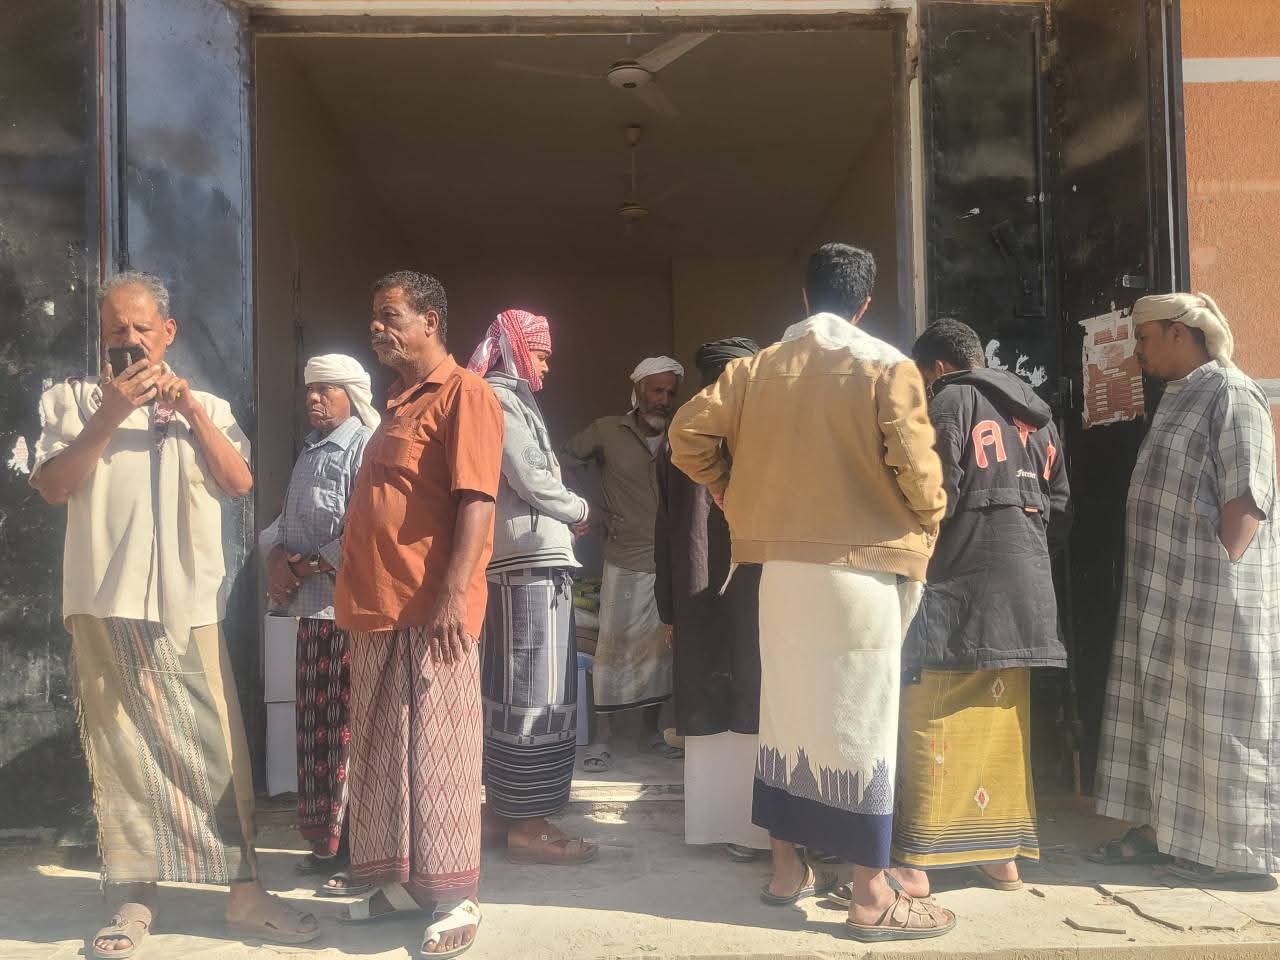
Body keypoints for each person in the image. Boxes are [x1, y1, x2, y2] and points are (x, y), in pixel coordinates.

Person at [669, 243, 954, 943]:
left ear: (804, 297)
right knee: (862, 723)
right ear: (864, 303)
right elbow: (919, 473)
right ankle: (870, 896)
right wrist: (928, 518)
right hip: (861, 570)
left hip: (779, 571)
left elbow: (686, 435)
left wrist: (730, 490)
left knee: (788, 716)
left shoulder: (754, 370)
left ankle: (785, 872)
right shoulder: (887, 364)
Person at [30, 271, 318, 958]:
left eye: (140, 329)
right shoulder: (71, 402)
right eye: (115, 331)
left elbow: (240, 482)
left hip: (185, 609)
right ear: (102, 338)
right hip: (104, 604)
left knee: (216, 751)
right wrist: (108, 416)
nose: (129, 341)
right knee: (123, 754)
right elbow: (52, 487)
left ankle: (244, 894)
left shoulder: (206, 406)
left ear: (167, 333)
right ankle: (135, 898)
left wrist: (188, 410)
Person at [334, 271, 504, 958]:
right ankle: (400, 885)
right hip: (376, 608)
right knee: (382, 754)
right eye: (374, 316)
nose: (377, 328)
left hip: (434, 614)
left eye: (391, 315)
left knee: (440, 756)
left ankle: (457, 895)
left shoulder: (466, 394)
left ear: (431, 321)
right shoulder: (397, 404)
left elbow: (477, 501)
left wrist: (454, 597)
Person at [1091, 292, 1279, 890]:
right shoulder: (1183, 395)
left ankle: (1237, 856)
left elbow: (1246, 498)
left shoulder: (1232, 393)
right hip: (1170, 595)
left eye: (1144, 339)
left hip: (1215, 598)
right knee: (1169, 716)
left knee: (1224, 722)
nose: (1137, 353)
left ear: (1180, 332)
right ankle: (1166, 833)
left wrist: (1219, 579)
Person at [884, 319, 1070, 898]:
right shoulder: (1038, 416)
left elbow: (931, 495)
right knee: (1000, 724)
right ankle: (1000, 859)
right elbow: (1060, 503)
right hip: (1026, 593)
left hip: (960, 589)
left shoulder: (951, 401)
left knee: (930, 714)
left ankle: (916, 866)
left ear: (938, 367)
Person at [466, 309, 596, 866]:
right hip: (529, 566)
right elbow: (529, 476)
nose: (546, 365)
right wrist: (578, 509)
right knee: (535, 692)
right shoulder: (501, 400)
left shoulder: (508, 399)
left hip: (522, 565)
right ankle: (530, 824)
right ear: (517, 350)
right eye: (540, 354)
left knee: (513, 686)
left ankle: (503, 813)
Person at [262, 354, 378, 897]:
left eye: (325, 389)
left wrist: (306, 565)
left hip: (347, 615)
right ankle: (326, 844)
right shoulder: (310, 450)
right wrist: (278, 560)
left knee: (347, 733)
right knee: (316, 734)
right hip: (310, 612)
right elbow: (284, 524)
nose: (313, 398)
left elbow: (365, 527)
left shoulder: (364, 447)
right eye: (310, 389)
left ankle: (359, 848)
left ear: (351, 394)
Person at [655, 337, 768, 861]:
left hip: (696, 599)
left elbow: (664, 532)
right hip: (753, 594)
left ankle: (715, 824)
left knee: (711, 696)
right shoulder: (761, 434)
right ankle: (754, 831)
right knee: (752, 694)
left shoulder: (677, 436)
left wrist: (669, 608)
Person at [566, 355, 684, 769]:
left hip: (671, 561)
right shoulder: (606, 431)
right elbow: (565, 459)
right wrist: (589, 506)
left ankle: (651, 734)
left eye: (670, 392)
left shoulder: (683, 433)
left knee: (660, 653)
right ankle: (602, 738)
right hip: (624, 556)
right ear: (638, 390)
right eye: (657, 390)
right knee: (613, 649)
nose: (663, 400)